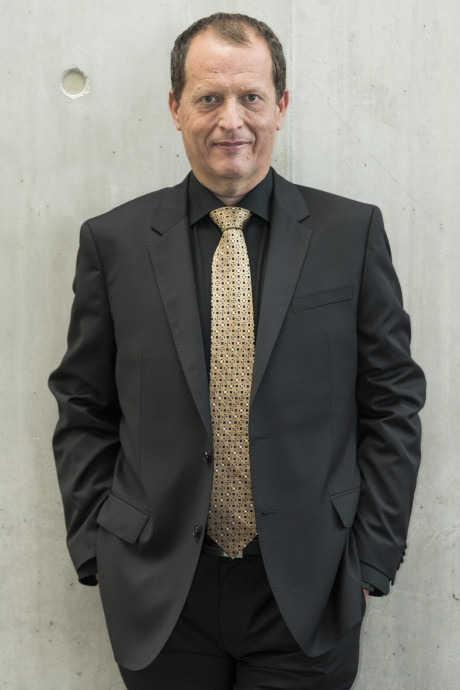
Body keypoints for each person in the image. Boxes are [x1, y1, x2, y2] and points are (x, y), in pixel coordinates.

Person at [49, 12, 426, 690]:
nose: (231, 121)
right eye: (208, 98)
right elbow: (83, 404)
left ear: (281, 105)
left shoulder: (351, 234)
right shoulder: (114, 243)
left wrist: (371, 560)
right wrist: (96, 548)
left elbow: (393, 402)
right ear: (176, 108)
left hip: (310, 586)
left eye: (251, 96)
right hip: (161, 589)